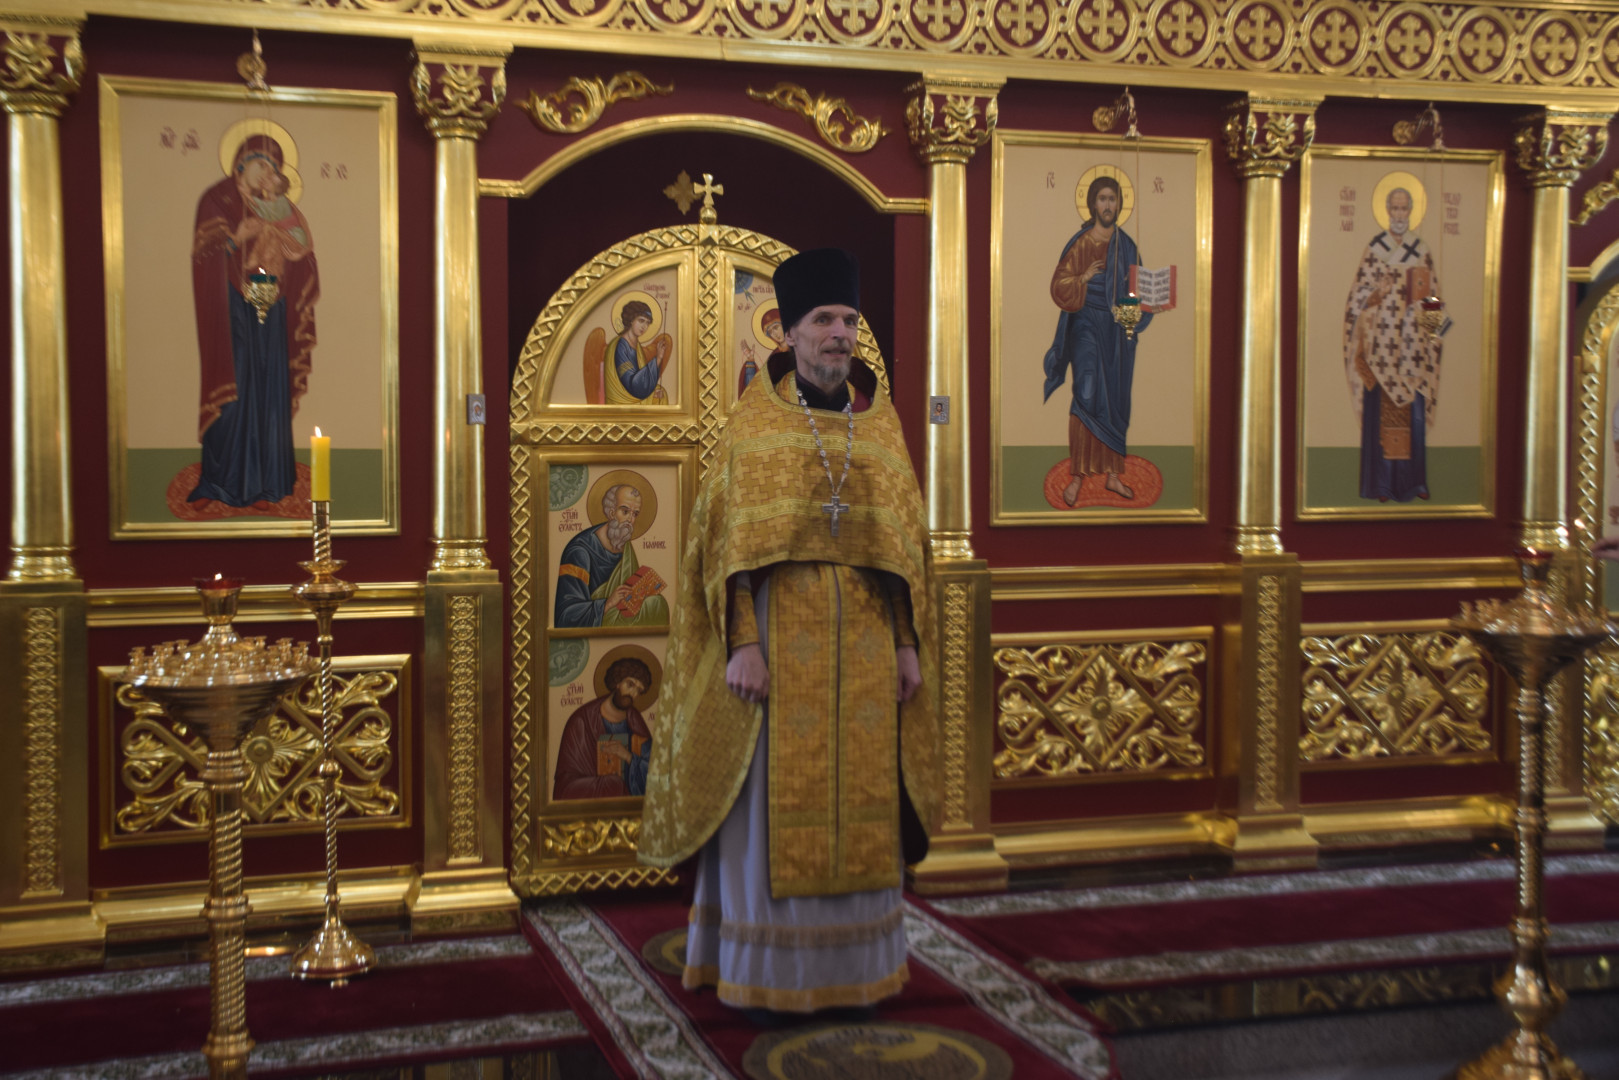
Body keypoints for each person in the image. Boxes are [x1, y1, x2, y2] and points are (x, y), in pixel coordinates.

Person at [639, 247, 939, 1016]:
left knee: (862, 801)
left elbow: (902, 550)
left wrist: (906, 645)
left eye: (849, 320)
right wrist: (743, 643)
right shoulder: (754, 423)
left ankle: (858, 970)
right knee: (768, 806)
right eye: (824, 320)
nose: (840, 334)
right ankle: (765, 973)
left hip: (866, 644)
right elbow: (726, 551)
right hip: (777, 641)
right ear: (789, 332)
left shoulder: (879, 424)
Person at [188, 133, 319, 509]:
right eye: (262, 164)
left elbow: (303, 253)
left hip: (272, 307)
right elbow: (204, 255)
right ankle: (220, 482)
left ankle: (269, 484)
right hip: (231, 308)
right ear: (241, 164)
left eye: (274, 168)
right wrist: (234, 239)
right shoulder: (218, 200)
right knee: (235, 387)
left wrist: (285, 249)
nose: (268, 174)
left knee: (269, 388)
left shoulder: (280, 206)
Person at [1043, 175, 1152, 506]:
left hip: (1117, 331)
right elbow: (1059, 285)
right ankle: (1078, 475)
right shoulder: (1081, 243)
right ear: (1092, 204)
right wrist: (1083, 277)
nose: (1107, 205)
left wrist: (1146, 305)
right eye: (1102, 199)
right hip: (1086, 324)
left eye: (1112, 199)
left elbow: (1138, 291)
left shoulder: (1127, 246)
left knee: (1117, 399)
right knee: (1087, 391)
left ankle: (1113, 476)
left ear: (1119, 205)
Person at [1343, 186, 1444, 503]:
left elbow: (1433, 298)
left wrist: (1433, 336)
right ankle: (1382, 484)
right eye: (1395, 208)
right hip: (1381, 352)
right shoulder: (1375, 250)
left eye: (1404, 209)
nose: (1400, 215)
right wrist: (1378, 293)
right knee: (1381, 418)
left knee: (1413, 418)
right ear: (1387, 211)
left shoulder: (1421, 250)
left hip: (1412, 350)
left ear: (1411, 211)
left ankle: (1414, 483)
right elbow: (1356, 300)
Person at [554, 483, 670, 628]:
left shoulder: (623, 544)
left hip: (618, 614)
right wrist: (607, 603)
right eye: (625, 511)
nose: (630, 520)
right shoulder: (579, 551)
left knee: (657, 602)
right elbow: (566, 615)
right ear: (611, 512)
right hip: (597, 620)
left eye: (635, 514)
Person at [552, 656, 654, 800]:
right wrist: (610, 783)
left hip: (628, 800)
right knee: (613, 783)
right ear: (618, 682)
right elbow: (566, 784)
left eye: (639, 690)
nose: (633, 693)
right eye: (630, 684)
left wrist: (628, 757)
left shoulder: (635, 721)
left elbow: (655, 771)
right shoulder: (582, 720)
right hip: (593, 794)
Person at [607, 299, 670, 404]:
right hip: (622, 401)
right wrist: (658, 359)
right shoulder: (621, 346)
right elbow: (633, 385)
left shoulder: (637, 347)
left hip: (634, 393)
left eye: (647, 323)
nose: (644, 326)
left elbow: (640, 379)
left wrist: (652, 393)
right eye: (641, 321)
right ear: (631, 320)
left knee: (662, 393)